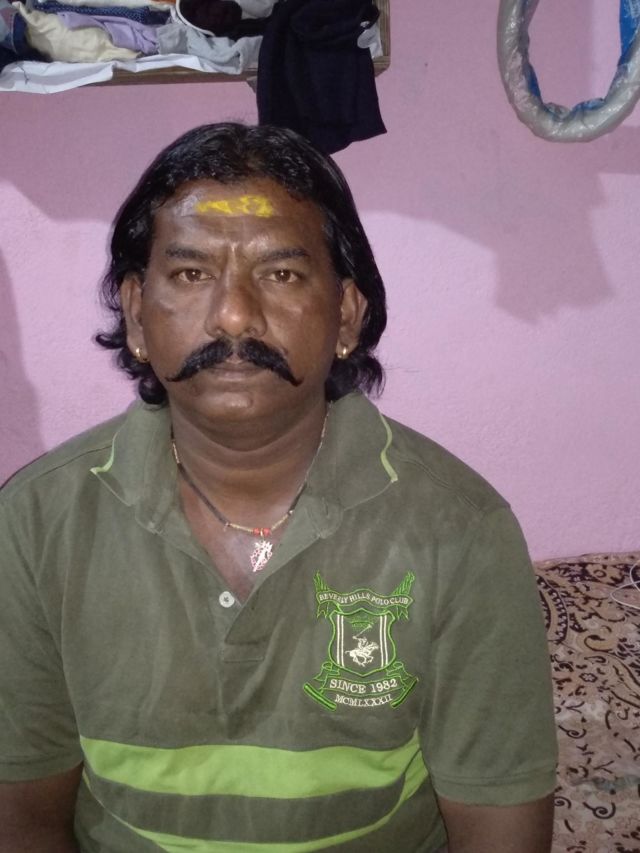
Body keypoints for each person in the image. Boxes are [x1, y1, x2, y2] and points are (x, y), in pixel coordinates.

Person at [0, 123, 557, 853]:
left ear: (346, 315)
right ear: (136, 314)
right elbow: (24, 818)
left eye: (281, 274)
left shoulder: (460, 529)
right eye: (191, 274)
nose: (234, 314)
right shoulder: (35, 522)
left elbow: (501, 831)